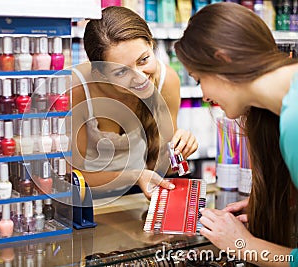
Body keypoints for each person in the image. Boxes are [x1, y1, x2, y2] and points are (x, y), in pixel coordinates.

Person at [175, 2, 298, 266]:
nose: (205, 96)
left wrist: (242, 244)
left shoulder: (294, 120)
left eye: (199, 79)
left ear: (223, 60)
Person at [71, 6, 198, 200]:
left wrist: (181, 151)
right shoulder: (77, 89)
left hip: (140, 195)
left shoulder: (166, 81)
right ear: (100, 74)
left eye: (144, 59)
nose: (139, 78)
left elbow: (164, 168)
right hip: (86, 200)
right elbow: (70, 176)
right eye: (121, 72)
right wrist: (133, 176)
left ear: (151, 45)